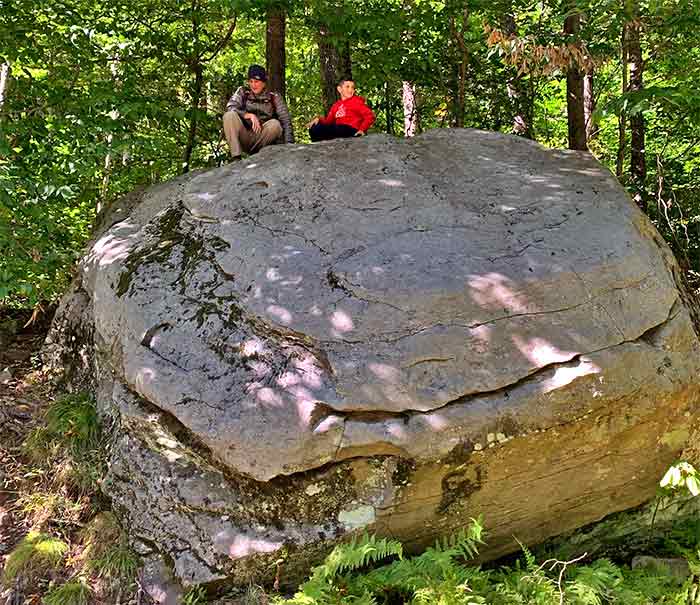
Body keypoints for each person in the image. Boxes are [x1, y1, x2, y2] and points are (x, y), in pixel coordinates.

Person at [223, 65, 294, 160]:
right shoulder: (242, 92)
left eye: (256, 82)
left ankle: (263, 154)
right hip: (246, 136)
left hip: (264, 138)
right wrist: (248, 115)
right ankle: (236, 157)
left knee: (275, 124)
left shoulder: (274, 97)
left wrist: (290, 146)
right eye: (251, 81)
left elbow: (286, 121)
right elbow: (230, 106)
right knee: (229, 115)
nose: (253, 85)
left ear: (264, 83)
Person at [307, 78, 375, 141]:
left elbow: (370, 116)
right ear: (339, 89)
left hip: (351, 130)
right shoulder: (336, 105)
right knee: (314, 128)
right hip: (338, 130)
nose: (350, 90)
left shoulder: (356, 101)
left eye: (352, 88)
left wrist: (362, 130)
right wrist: (318, 119)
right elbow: (328, 121)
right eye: (347, 87)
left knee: (339, 128)